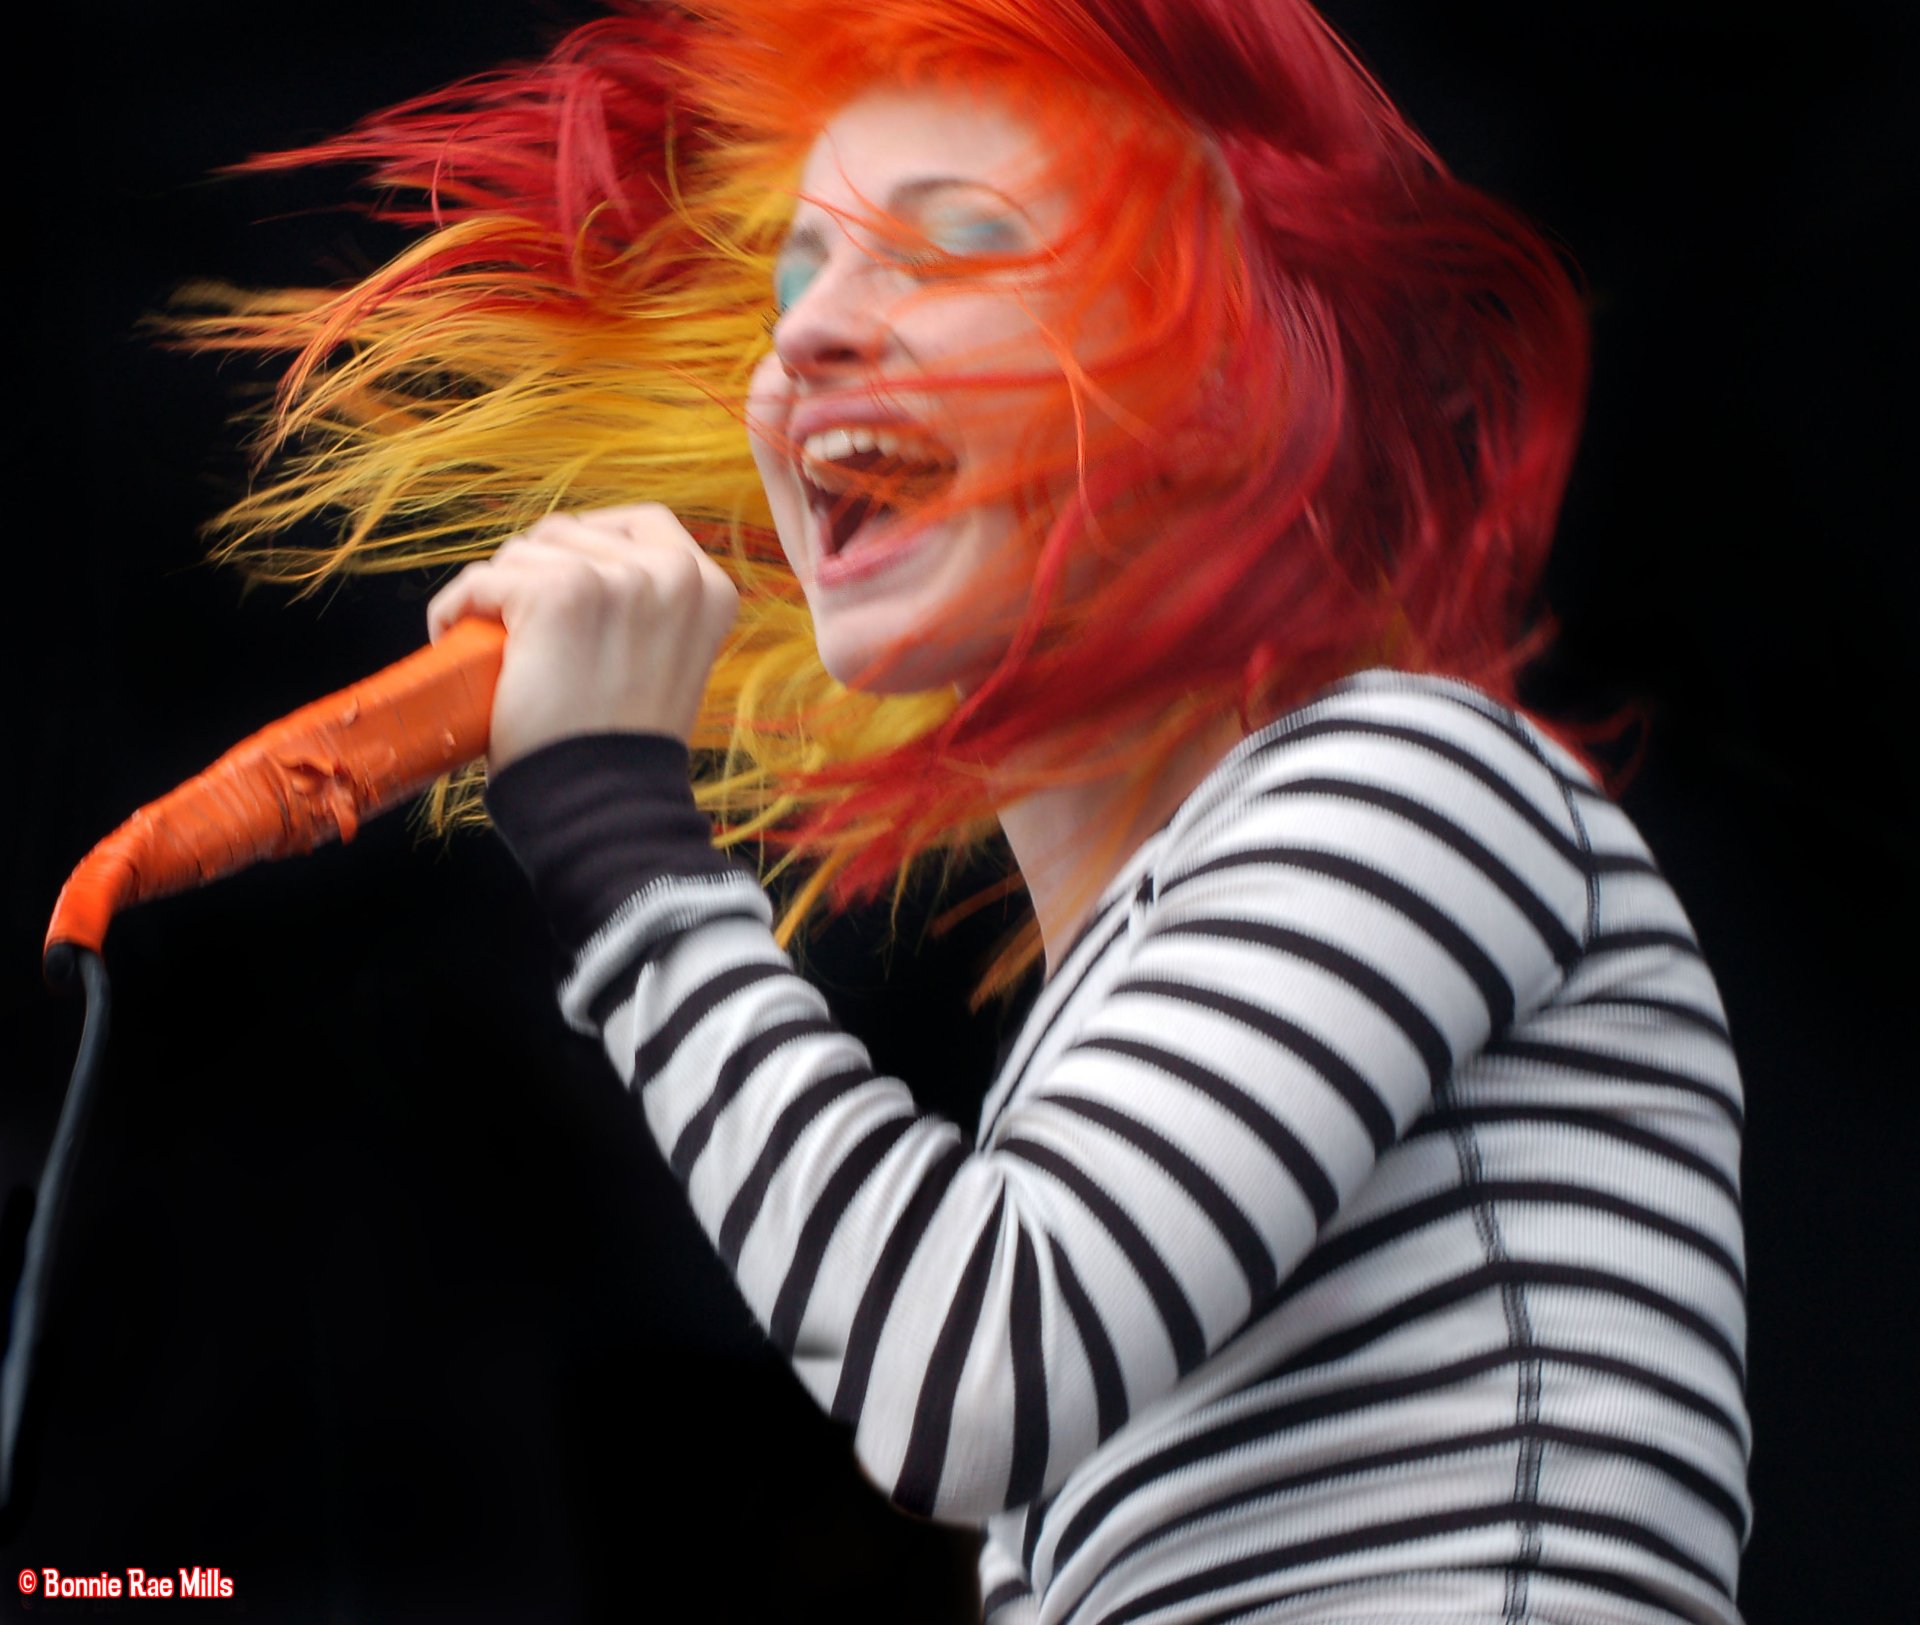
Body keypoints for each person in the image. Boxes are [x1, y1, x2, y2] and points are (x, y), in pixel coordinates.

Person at [193, 2, 1750, 1619]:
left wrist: (613, 834)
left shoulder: (1421, 780)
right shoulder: (1121, 1024)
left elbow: (975, 1381)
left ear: (1225, 378)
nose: (804, 339)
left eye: (950, 254)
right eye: (799, 277)